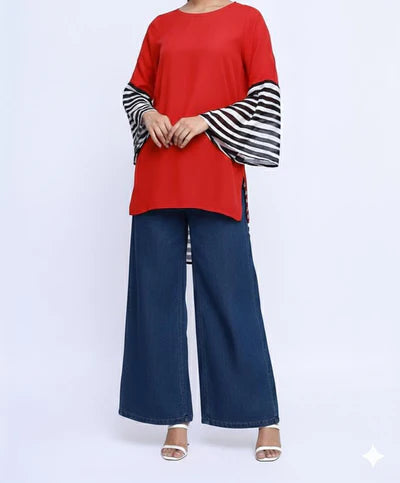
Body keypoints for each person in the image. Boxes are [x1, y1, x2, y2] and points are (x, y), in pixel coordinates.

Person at [119, 0, 282, 462]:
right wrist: (148, 115)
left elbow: (265, 97)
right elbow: (135, 92)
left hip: (214, 176)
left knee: (232, 297)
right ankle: (173, 418)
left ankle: (263, 416)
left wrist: (205, 120)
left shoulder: (247, 21)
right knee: (156, 301)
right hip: (157, 177)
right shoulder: (161, 25)